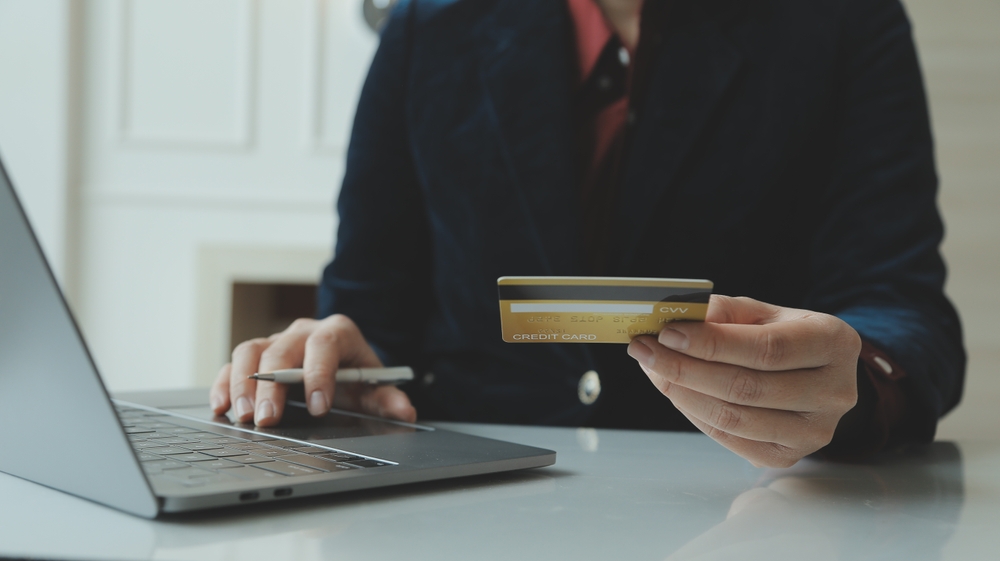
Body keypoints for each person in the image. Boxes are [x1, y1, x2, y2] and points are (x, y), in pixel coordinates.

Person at [210, 0, 965, 468]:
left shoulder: (846, 21)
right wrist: (333, 359)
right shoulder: (423, 25)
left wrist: (859, 377)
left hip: (742, 504)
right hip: (469, 509)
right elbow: (367, 305)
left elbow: (902, 306)